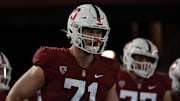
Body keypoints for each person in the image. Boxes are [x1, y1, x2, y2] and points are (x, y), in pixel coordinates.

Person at [6, 3, 120, 101]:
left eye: (99, 32)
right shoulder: (52, 59)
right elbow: (15, 96)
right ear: (74, 29)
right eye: (90, 31)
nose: (95, 38)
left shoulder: (108, 68)